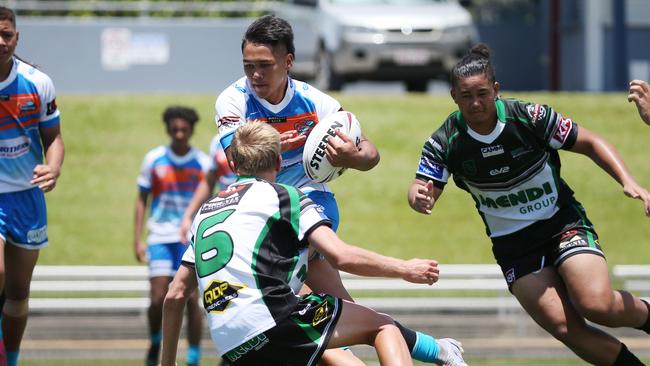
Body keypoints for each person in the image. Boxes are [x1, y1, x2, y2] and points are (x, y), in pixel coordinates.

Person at [213, 15, 453, 366]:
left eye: (265, 66)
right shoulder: (232, 100)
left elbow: (371, 154)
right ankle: (438, 350)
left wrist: (352, 156)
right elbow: (237, 158)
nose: (256, 75)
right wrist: (272, 142)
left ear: (289, 62)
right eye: (249, 66)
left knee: (301, 320)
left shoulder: (315, 102)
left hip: (310, 204)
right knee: (335, 311)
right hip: (260, 210)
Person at [408, 43, 650, 365]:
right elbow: (422, 186)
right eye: (466, 96)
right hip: (513, 245)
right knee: (566, 327)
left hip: (562, 223)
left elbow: (590, 142)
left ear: (496, 89)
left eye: (482, 93)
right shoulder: (445, 140)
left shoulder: (529, 117)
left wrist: (627, 180)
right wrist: (419, 198)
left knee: (595, 304)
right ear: (454, 96)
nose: (476, 103)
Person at [161, 121, 467, 366]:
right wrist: (405, 268)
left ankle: (442, 352)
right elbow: (342, 256)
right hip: (272, 318)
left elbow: (175, 295)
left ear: (233, 164)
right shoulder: (284, 196)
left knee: (324, 349)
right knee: (383, 327)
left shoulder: (205, 212)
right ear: (279, 162)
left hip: (230, 342)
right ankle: (440, 351)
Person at [0, 7, 64, 366]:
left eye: (7, 35)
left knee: (18, 295)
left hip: (26, 197)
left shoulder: (37, 83)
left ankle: (10, 358)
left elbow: (53, 138)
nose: (1, 41)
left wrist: (52, 168)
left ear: (16, 37)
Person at [134, 106, 209, 366]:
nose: (179, 134)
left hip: (190, 239)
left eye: (184, 130)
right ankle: (156, 340)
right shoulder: (154, 159)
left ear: (191, 130)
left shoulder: (203, 163)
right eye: (174, 129)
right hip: (159, 237)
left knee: (191, 299)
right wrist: (137, 238)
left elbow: (211, 201)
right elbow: (142, 199)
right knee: (157, 298)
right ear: (168, 129)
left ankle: (193, 356)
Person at [179, 135, 236, 244]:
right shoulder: (219, 140)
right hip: (226, 212)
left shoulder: (261, 132)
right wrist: (188, 215)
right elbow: (209, 181)